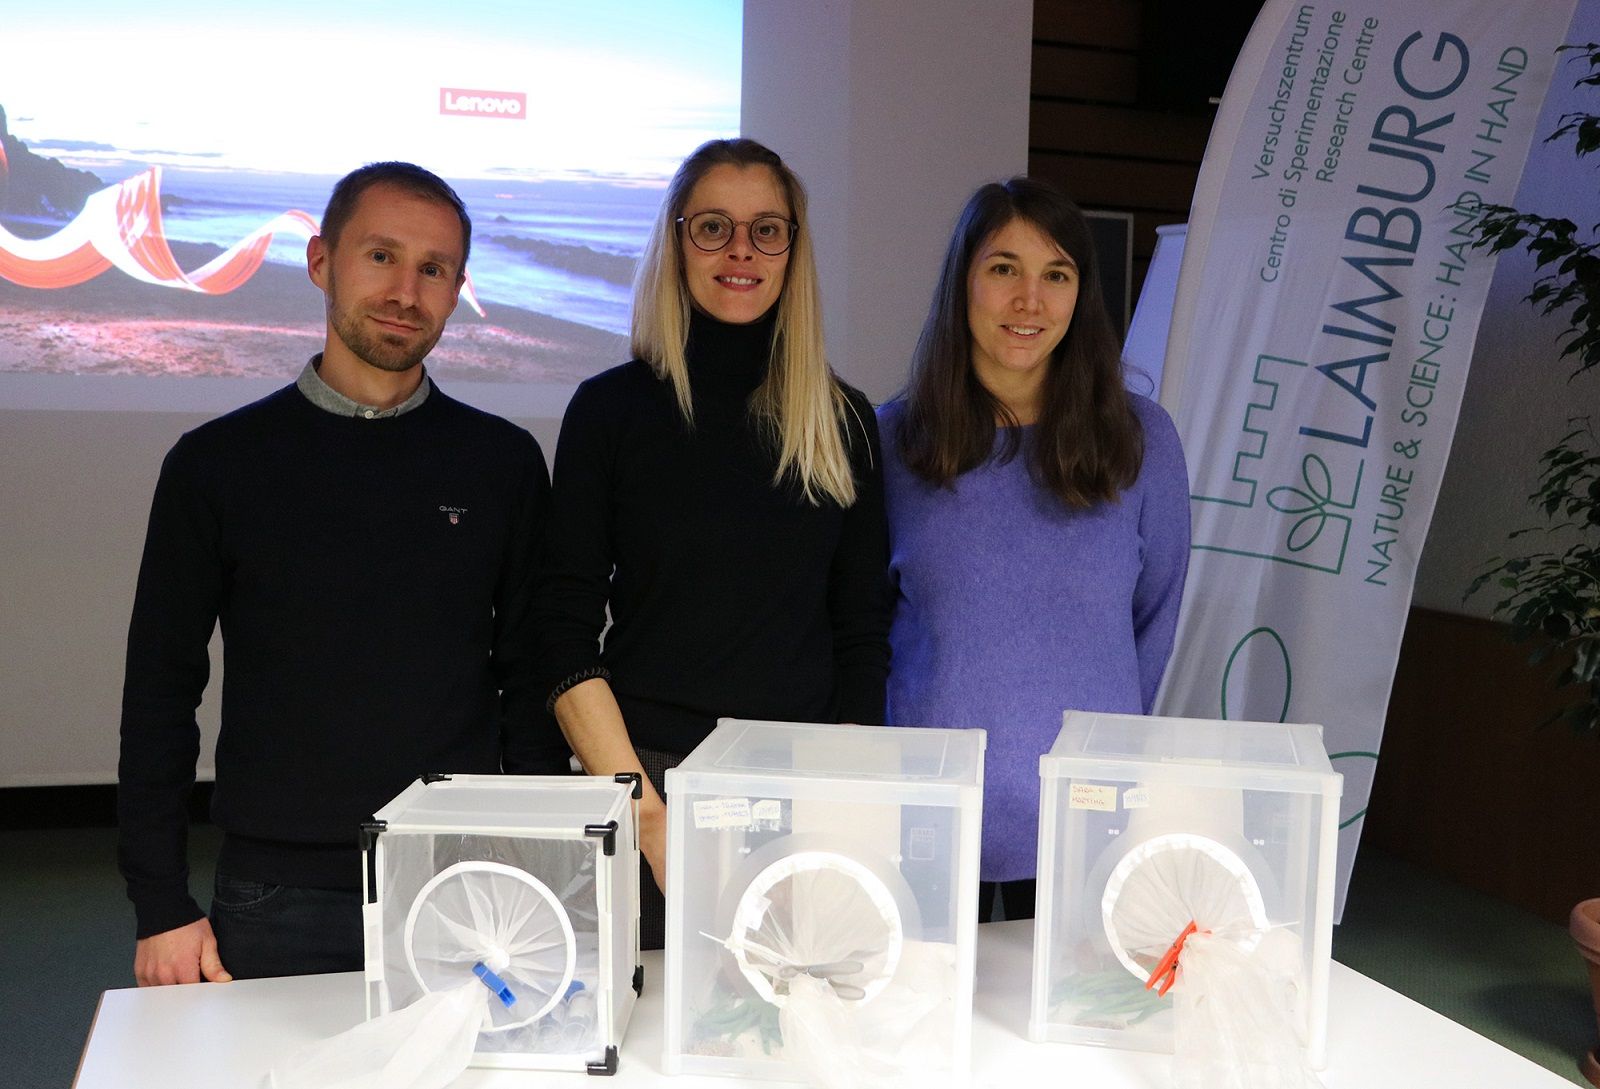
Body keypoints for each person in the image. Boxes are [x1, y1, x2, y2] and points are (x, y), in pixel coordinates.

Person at [118, 161, 566, 985]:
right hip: (277, 892)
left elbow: (529, 680)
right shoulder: (217, 464)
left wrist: (539, 862)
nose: (405, 291)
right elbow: (159, 688)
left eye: (434, 269)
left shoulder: (501, 463)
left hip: (460, 880)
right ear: (322, 262)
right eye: (381, 256)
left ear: (457, 289)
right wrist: (160, 902)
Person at [535, 138, 890, 948]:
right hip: (647, 783)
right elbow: (560, 627)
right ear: (677, 240)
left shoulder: (844, 420)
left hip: (806, 791)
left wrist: (843, 803)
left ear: (793, 248)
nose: (741, 250)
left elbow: (862, 633)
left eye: (767, 229)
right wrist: (646, 816)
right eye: (713, 227)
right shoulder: (610, 411)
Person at [878, 177, 1190, 923]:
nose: (1030, 300)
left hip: (1085, 821)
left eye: (1057, 275)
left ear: (1081, 295)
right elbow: (866, 628)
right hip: (923, 819)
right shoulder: (891, 441)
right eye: (1003, 269)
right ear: (963, 282)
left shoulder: (1142, 441)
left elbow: (1154, 623)